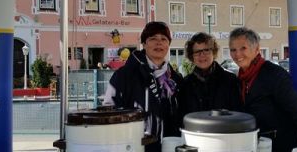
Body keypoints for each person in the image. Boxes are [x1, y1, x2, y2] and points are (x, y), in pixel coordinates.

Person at [102, 21, 184, 152]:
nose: (159, 43)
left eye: (164, 39)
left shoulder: (176, 79)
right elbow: (109, 112)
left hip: (169, 147)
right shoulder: (124, 75)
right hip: (134, 147)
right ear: (144, 44)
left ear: (168, 45)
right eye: (153, 39)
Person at [228, 27, 297, 152]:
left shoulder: (274, 74)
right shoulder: (240, 79)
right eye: (233, 50)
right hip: (254, 145)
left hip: (280, 145)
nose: (237, 54)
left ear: (256, 49)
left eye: (243, 48)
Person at [178, 32, 242, 116]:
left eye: (206, 50)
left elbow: (237, 115)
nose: (202, 55)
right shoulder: (185, 84)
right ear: (192, 56)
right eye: (197, 52)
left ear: (213, 52)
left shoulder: (230, 80)